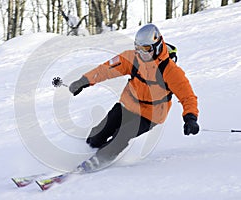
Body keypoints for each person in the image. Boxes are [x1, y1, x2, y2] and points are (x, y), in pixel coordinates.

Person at [69, 24, 199, 172]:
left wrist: (190, 118)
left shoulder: (170, 71)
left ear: (157, 46)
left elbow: (188, 96)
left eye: (146, 49)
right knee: (99, 133)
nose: (142, 53)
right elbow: (105, 70)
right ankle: (86, 151)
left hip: (150, 114)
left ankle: (96, 162)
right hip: (127, 104)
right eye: (139, 48)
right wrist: (84, 81)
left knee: (122, 135)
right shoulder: (132, 58)